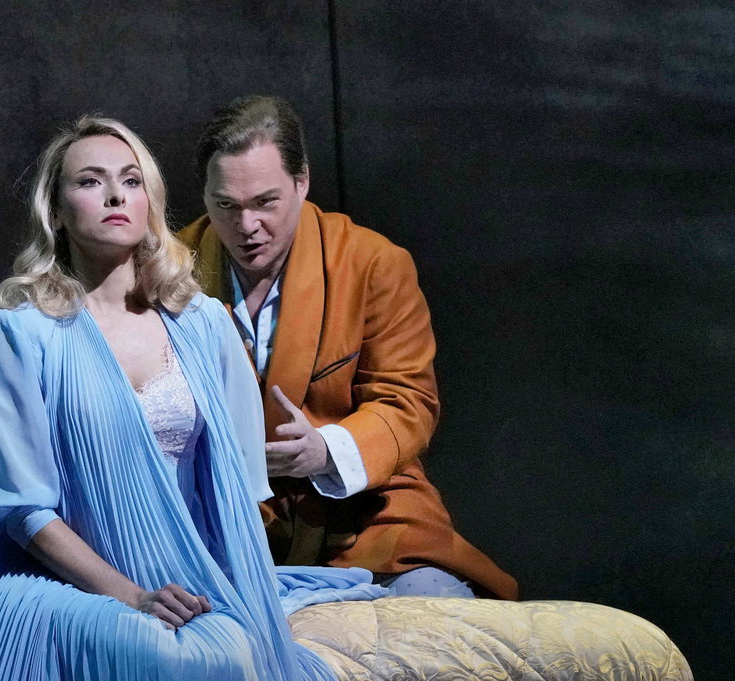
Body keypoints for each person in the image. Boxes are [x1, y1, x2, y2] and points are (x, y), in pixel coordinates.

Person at [0, 116, 387, 681]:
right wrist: (129, 595)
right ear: (57, 210)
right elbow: (21, 512)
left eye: (130, 181)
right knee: (176, 659)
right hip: (60, 582)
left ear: (150, 202)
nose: (114, 195)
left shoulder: (204, 324)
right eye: (90, 181)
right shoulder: (19, 334)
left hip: (185, 568)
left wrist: (242, 601)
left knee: (259, 664)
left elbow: (235, 493)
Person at [179, 95, 519, 601]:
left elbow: (407, 401)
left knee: (436, 612)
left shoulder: (373, 264)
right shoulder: (166, 271)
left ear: (302, 182)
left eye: (266, 202)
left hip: (367, 518)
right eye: (226, 205)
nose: (246, 226)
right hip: (224, 527)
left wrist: (325, 449)